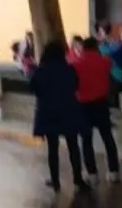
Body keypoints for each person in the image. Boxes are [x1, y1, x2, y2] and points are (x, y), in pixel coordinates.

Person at [31, 41, 90, 192]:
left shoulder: (41, 70)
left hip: (49, 112)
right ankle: (78, 178)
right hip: (68, 110)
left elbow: (34, 88)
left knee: (53, 147)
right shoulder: (69, 69)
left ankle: (55, 180)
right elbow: (76, 85)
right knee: (73, 146)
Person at [71, 37, 121, 183]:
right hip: (101, 103)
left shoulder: (75, 65)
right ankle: (113, 170)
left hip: (83, 105)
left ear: (83, 48)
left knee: (86, 140)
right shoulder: (105, 62)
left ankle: (92, 172)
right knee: (107, 137)